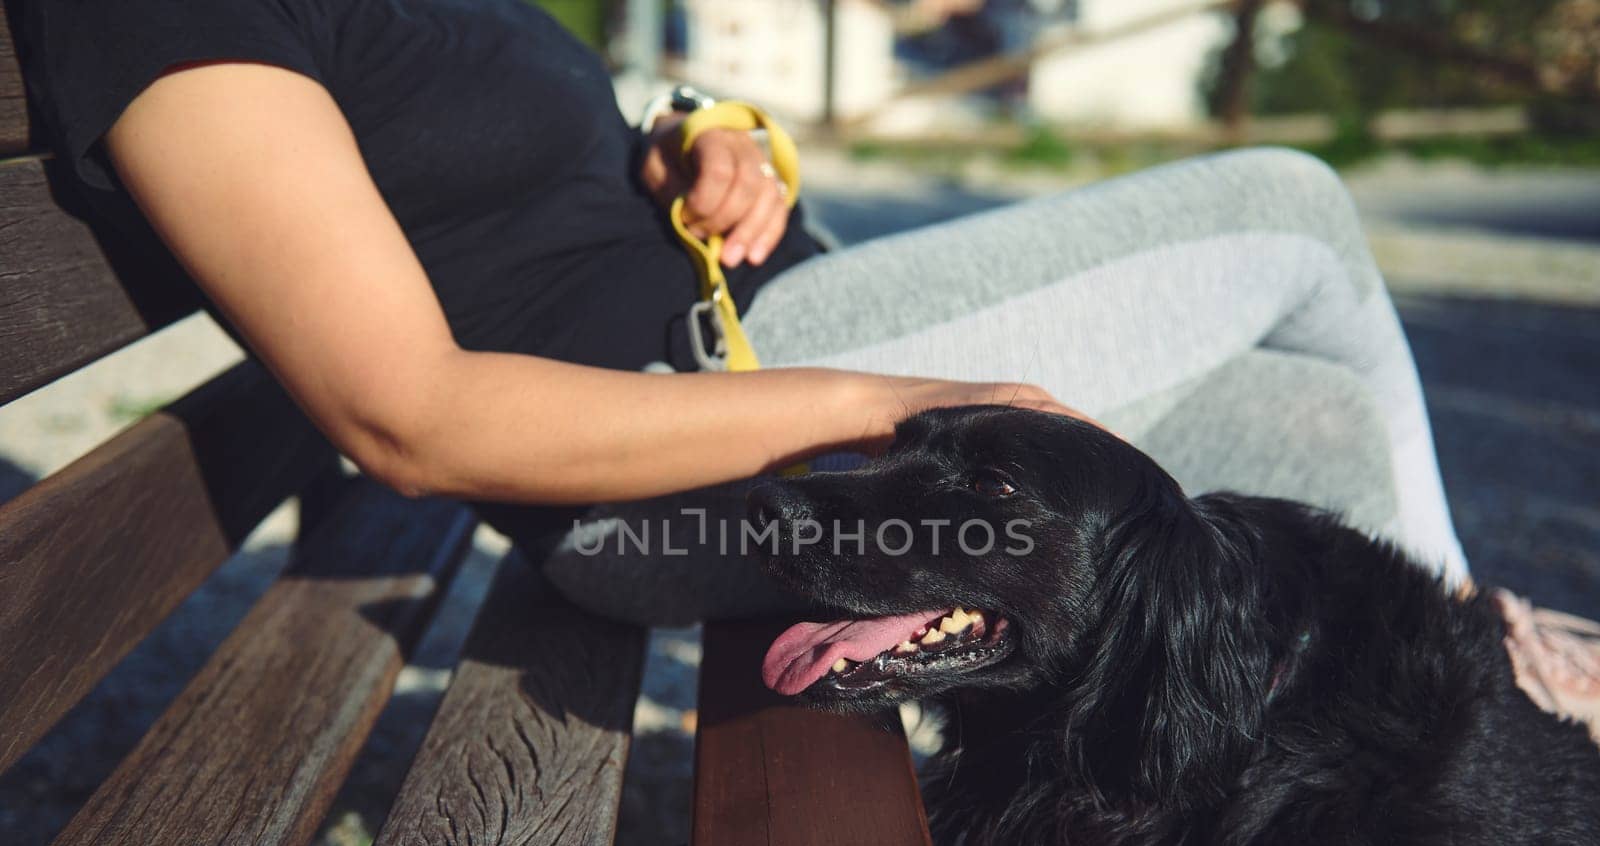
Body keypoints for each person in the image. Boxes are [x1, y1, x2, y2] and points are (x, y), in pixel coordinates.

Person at [21, 0, 1596, 720]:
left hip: (768, 348)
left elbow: (543, 154)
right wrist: (888, 404)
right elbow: (408, 411)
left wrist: (694, 137)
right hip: (678, 451)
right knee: (1292, 208)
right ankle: (1481, 658)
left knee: (1320, 427)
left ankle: (1451, 725)